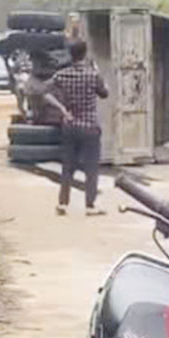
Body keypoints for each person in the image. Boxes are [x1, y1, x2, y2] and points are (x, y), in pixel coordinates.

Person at [45, 40, 109, 216]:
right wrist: (100, 75)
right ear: (85, 53)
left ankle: (63, 204)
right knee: (91, 167)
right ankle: (90, 206)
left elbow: (46, 93)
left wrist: (63, 109)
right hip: (90, 127)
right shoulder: (93, 75)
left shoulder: (62, 75)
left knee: (68, 166)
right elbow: (104, 93)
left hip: (70, 126)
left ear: (70, 55)